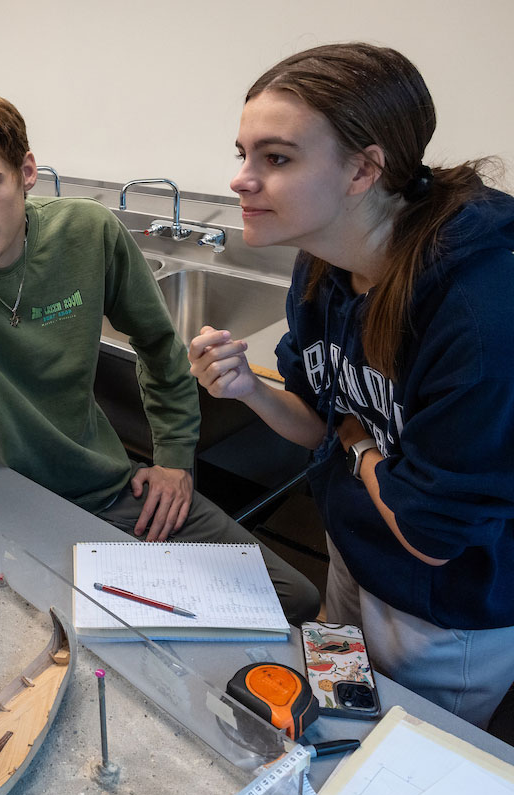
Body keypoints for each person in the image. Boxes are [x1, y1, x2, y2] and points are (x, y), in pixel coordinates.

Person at [0, 84, 319, 622]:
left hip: (99, 489)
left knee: (291, 599)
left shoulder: (87, 233)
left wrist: (172, 459)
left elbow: (160, 346)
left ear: (26, 171)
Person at [188, 43, 514, 728]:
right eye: (243, 153)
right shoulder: (322, 266)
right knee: (337, 723)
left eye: (275, 159)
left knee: (407, 755)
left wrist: (361, 447)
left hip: (442, 610)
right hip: (355, 553)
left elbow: (431, 536)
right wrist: (248, 388)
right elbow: (319, 416)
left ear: (364, 169)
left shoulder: (479, 312)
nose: (241, 179)